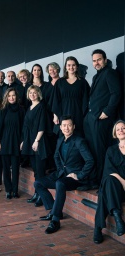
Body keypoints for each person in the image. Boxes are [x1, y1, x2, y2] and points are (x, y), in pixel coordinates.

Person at [34, 115, 94, 234]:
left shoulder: (79, 141)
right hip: (62, 173)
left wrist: (79, 175)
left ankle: (55, 220)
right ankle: (54, 211)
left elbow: (90, 161)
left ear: (74, 127)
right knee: (38, 183)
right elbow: (56, 156)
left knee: (60, 184)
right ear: (60, 127)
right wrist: (61, 169)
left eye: (69, 125)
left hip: (74, 177)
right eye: (64, 125)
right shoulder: (60, 140)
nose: (66, 128)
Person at [84, 49, 121, 186]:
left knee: (100, 151)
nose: (96, 63)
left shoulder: (110, 73)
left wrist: (107, 112)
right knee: (93, 150)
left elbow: (116, 93)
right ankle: (94, 180)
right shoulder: (96, 76)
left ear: (105, 60)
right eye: (94, 61)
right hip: (92, 118)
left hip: (102, 119)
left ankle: (101, 182)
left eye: (99, 59)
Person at [93, 120, 125, 244]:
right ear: (115, 134)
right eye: (118, 129)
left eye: (123, 128)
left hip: (118, 191)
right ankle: (118, 218)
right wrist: (123, 182)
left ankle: (98, 228)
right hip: (116, 187)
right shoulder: (111, 150)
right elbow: (109, 171)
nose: (121, 131)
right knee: (110, 181)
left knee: (105, 193)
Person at [20, 86, 48, 207]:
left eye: (34, 93)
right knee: (36, 170)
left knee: (40, 171)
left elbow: (42, 125)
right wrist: (23, 141)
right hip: (29, 141)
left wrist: (37, 140)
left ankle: (42, 196)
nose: (32, 94)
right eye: (30, 93)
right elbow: (25, 127)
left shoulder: (41, 107)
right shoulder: (29, 108)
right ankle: (37, 194)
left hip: (39, 141)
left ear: (38, 94)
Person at [0, 88, 25, 199]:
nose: (11, 97)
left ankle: (15, 190)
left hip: (17, 141)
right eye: (9, 96)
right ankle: (8, 190)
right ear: (6, 98)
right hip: (5, 141)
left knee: (15, 168)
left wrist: (22, 141)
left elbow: (24, 127)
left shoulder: (21, 110)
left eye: (13, 95)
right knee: (6, 168)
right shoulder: (3, 110)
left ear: (16, 97)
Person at [51, 56, 90, 137]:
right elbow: (55, 99)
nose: (71, 67)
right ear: (66, 67)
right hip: (63, 113)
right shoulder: (60, 82)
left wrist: (85, 115)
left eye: (73, 65)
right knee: (64, 137)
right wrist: (55, 115)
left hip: (78, 113)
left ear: (77, 66)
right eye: (69, 65)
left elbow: (87, 99)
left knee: (78, 136)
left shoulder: (82, 82)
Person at [44, 62, 61, 173]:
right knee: (50, 141)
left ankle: (58, 166)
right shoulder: (47, 85)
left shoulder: (62, 82)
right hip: (48, 117)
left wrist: (56, 114)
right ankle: (51, 166)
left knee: (58, 141)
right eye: (50, 70)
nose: (52, 71)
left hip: (58, 116)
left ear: (58, 70)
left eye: (54, 69)